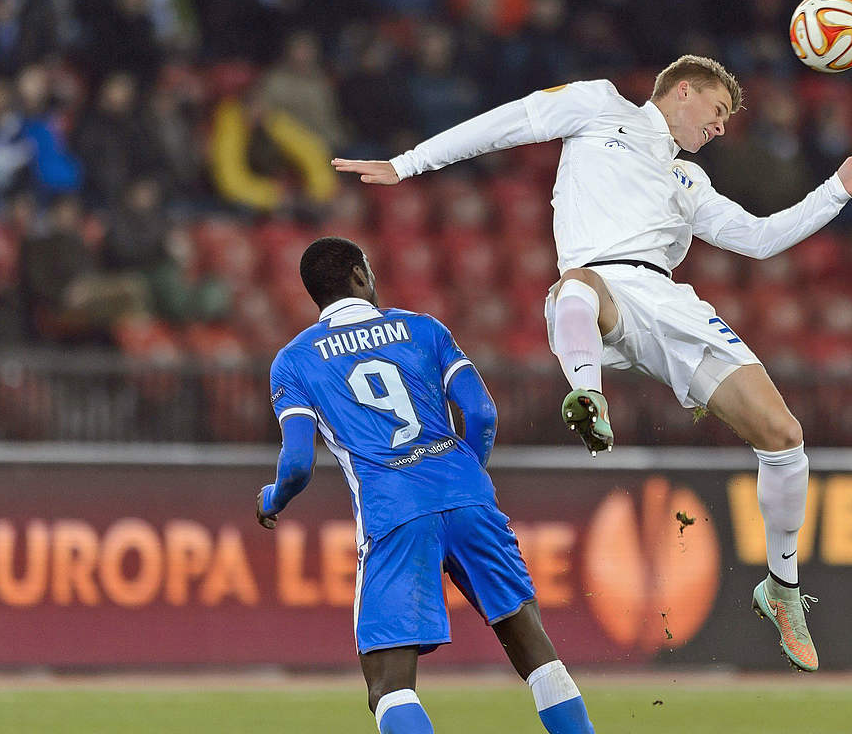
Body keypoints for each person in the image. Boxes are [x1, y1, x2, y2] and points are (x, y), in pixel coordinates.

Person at [332, 54, 852, 673]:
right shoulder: (600, 106)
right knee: (572, 285)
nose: (720, 129)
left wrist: (838, 189)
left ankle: (782, 587)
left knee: (785, 438)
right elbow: (511, 122)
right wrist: (407, 164)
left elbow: (759, 239)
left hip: (670, 305)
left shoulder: (691, 183)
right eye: (717, 112)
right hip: (602, 288)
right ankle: (587, 394)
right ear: (684, 91)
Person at [254, 237, 596, 734]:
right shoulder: (424, 328)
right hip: (467, 495)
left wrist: (272, 498)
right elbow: (481, 412)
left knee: (390, 686)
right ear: (358, 276)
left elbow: (299, 462)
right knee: (534, 651)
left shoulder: (294, 360)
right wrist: (467, 478)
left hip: (394, 511)